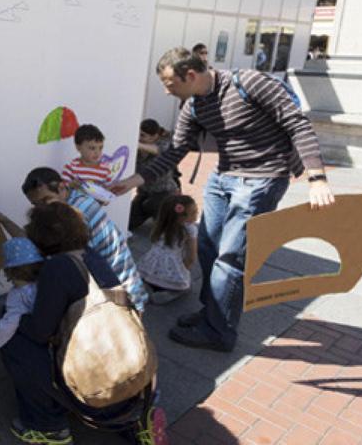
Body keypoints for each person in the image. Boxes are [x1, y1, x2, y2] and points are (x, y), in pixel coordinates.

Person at [112, 47, 334, 352]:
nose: (166, 91)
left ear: (190, 75)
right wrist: (133, 182)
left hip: (261, 179)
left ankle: (219, 332)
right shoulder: (193, 106)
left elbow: (297, 124)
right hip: (223, 178)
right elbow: (176, 151)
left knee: (230, 257)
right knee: (207, 245)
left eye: (169, 84)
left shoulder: (251, 83)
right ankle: (212, 312)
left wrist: (317, 178)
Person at [0, 202, 165, 445]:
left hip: (92, 383)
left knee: (14, 338)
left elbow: (40, 332)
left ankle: (49, 426)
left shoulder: (57, 268)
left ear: (41, 237)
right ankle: (134, 420)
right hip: (130, 369)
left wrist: (9, 319)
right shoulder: (91, 255)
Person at [22, 168, 149, 312]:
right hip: (122, 288)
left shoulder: (73, 215)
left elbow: (72, 265)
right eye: (37, 205)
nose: (41, 209)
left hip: (122, 295)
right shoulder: (76, 197)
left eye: (46, 200)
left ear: (62, 187)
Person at [137, 195, 198, 305]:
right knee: (187, 287)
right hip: (172, 269)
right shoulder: (190, 230)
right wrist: (184, 271)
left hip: (149, 268)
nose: (196, 215)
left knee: (148, 278)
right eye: (194, 213)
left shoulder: (161, 224)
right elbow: (191, 257)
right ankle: (167, 295)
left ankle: (146, 286)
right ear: (182, 217)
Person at [0, 237, 43, 353]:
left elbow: (10, 323)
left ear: (9, 273)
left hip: (36, 334)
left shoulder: (16, 295)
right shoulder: (45, 281)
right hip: (54, 327)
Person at [129, 119, 180, 230]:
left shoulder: (165, 145)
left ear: (154, 137)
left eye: (142, 135)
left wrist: (136, 144)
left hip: (164, 193)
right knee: (129, 223)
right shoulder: (137, 149)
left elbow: (160, 150)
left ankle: (168, 222)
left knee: (155, 207)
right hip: (144, 193)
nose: (139, 138)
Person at [61, 124, 115, 204]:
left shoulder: (105, 170)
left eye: (100, 148)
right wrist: (71, 185)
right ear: (78, 147)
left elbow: (108, 194)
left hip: (94, 213)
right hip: (73, 212)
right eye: (92, 148)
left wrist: (104, 198)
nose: (97, 152)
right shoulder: (71, 167)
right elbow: (62, 191)